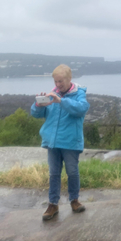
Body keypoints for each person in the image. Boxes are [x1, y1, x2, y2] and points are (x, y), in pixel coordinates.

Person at [31, 64, 90, 221]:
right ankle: (53, 204)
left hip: (70, 141)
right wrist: (39, 105)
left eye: (61, 81)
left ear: (69, 79)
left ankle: (74, 200)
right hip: (53, 142)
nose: (58, 85)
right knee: (54, 174)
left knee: (72, 172)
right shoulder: (53, 94)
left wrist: (61, 101)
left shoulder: (78, 94)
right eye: (56, 81)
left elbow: (81, 109)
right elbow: (35, 114)